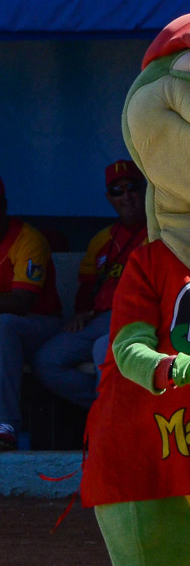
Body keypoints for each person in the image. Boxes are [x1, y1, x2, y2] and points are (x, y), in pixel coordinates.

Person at [32, 160, 147, 411]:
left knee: (103, 350)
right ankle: (103, 408)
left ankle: (114, 417)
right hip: (100, 319)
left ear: (145, 189)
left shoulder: (162, 234)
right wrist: (83, 312)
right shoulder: (102, 239)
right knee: (47, 360)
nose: (126, 196)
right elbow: (86, 289)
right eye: (118, 191)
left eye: (132, 187)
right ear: (109, 198)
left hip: (140, 318)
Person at [0, 176, 62, 451]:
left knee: (3, 326)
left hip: (42, 325)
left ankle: (6, 424)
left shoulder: (27, 238)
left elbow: (21, 302)